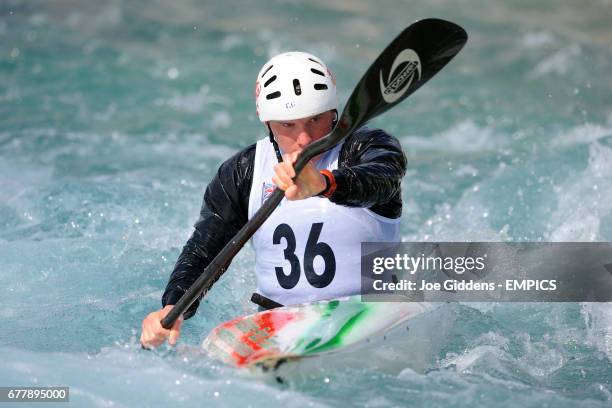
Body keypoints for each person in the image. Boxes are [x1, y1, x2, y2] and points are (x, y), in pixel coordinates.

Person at [140, 51, 407, 348]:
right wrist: (172, 307)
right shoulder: (243, 171)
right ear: (267, 123)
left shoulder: (367, 147)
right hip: (279, 321)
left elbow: (382, 180)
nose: (304, 139)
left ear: (334, 113)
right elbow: (204, 251)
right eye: (287, 126)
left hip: (371, 309)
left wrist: (325, 184)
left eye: (315, 119)